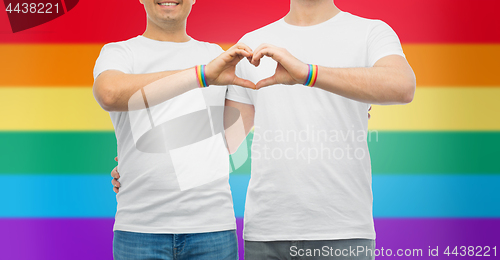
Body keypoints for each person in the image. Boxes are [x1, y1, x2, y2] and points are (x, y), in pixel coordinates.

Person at [224, 0, 416, 259]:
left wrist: (308, 74)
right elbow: (227, 141)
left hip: (344, 231)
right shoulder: (253, 42)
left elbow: (402, 86)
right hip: (267, 233)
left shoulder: (371, 32)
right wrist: (206, 81)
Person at [92, 0, 254, 259]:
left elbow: (229, 137)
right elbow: (109, 94)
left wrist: (146, 161)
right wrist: (201, 75)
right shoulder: (120, 53)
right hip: (140, 228)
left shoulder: (216, 55)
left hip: (212, 227)